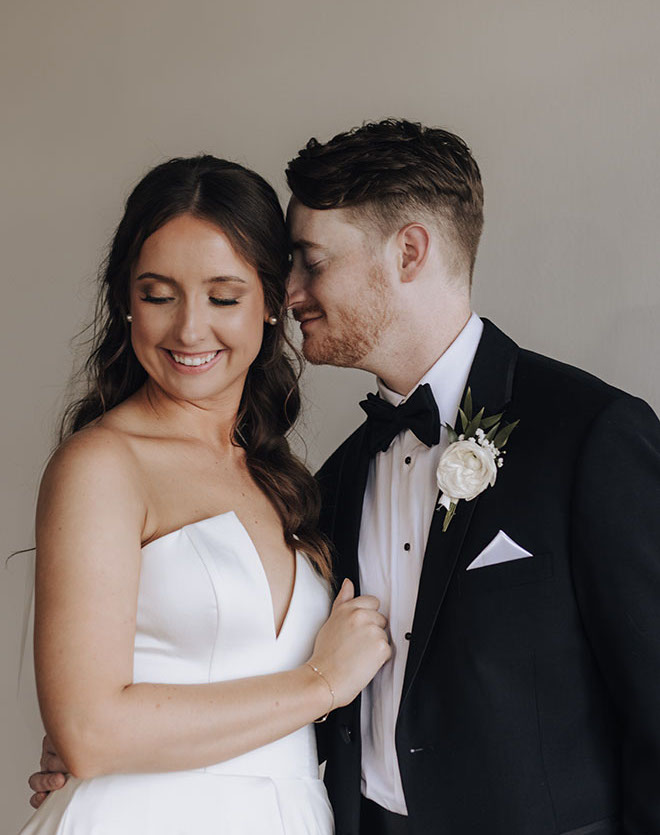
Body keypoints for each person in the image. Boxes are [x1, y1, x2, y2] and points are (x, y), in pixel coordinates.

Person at [31, 120, 660, 835]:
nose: (292, 290)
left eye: (308, 262)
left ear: (409, 252)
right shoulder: (333, 480)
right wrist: (98, 742)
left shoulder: (588, 436)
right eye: (159, 293)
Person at [19, 154, 391, 834]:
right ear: (126, 300)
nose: (190, 329)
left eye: (223, 297)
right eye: (159, 294)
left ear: (271, 301)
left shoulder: (285, 479)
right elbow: (89, 731)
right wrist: (321, 684)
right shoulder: (102, 464)